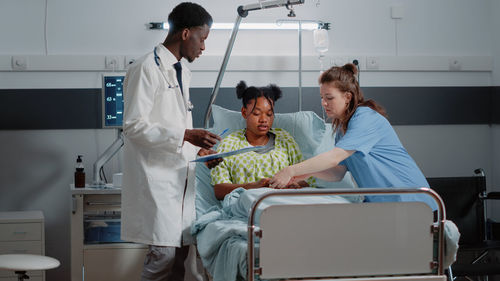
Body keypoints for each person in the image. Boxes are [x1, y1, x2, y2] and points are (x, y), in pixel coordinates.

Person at [121, 3, 222, 281]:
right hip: (156, 181)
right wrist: (187, 136)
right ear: (186, 33)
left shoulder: (179, 71)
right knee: (162, 257)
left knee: (180, 258)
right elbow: (133, 126)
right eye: (203, 39)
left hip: (179, 181)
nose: (203, 47)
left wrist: (199, 151)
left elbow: (175, 128)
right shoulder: (145, 68)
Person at [269, 63, 436, 209]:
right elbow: (337, 173)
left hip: (411, 200)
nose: (323, 103)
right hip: (384, 205)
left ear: (347, 97)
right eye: (322, 97)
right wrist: (306, 174)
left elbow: (334, 158)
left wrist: (291, 170)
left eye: (329, 98)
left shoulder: (365, 118)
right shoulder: (342, 132)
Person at [211, 81, 313, 200]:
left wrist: (294, 186)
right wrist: (252, 187)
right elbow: (219, 190)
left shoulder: (285, 140)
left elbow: (305, 179)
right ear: (244, 112)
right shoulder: (229, 145)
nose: (264, 120)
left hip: (284, 203)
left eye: (269, 114)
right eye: (257, 114)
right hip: (246, 205)